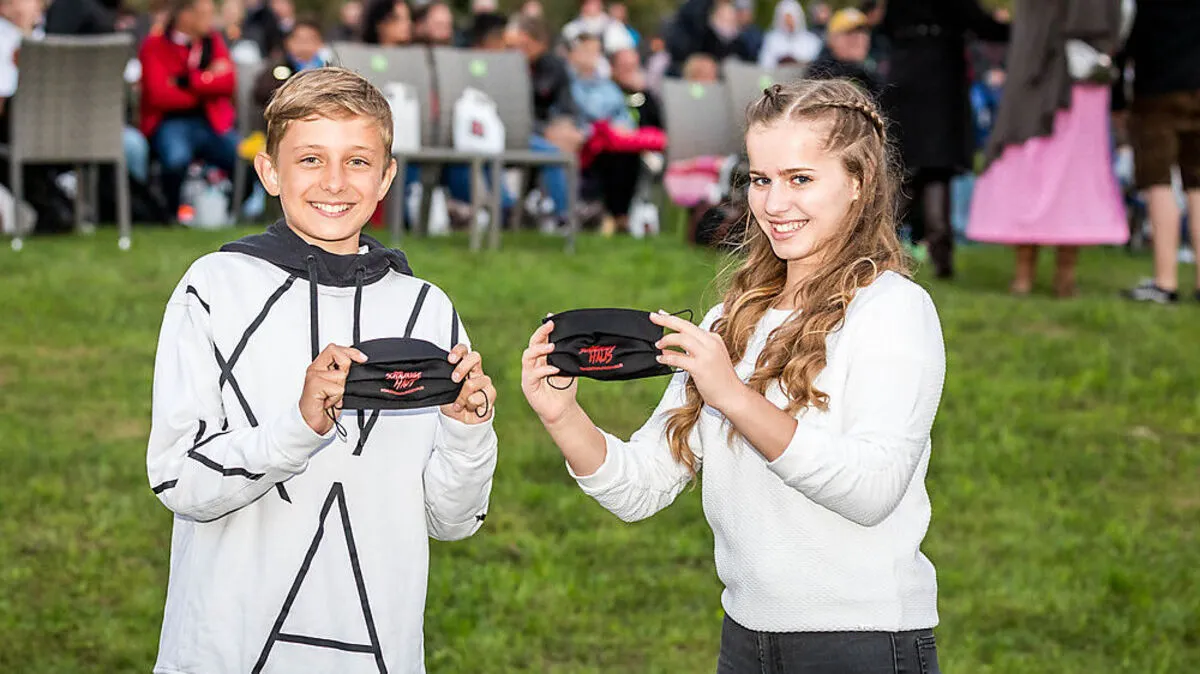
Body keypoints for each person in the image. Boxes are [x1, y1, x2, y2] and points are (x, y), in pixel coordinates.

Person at [521, 78, 945, 673]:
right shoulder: (732, 320)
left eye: (801, 179)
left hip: (862, 641)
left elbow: (871, 492)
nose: (774, 203)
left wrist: (734, 396)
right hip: (746, 640)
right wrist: (562, 415)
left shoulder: (892, 309)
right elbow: (641, 486)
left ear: (857, 183)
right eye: (760, 179)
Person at [146, 67, 498, 673]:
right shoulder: (214, 289)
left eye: (358, 161)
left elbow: (454, 519)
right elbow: (177, 478)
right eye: (310, 159)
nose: (335, 182)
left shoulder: (426, 309)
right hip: (227, 648)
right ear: (270, 171)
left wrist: (466, 430)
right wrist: (298, 428)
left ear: (387, 177)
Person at [966, 0, 1129, 298]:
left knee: (1064, 175)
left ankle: (1048, 276)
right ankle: (1041, 275)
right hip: (1053, 81)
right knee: (1041, 171)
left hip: (1072, 83)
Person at [879, 0, 1009, 279]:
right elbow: (979, 23)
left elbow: (885, 25)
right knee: (936, 168)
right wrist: (1019, 31)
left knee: (905, 166)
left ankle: (876, 249)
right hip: (940, 78)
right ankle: (940, 255)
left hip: (906, 73)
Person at [1122, 0, 1200, 304]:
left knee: (1157, 182)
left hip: (1157, 92)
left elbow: (1133, 40)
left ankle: (1164, 282)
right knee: (1197, 184)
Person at [138, 0, 238, 217]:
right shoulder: (155, 45)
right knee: (175, 160)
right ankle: (170, 214)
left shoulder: (213, 42)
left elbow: (228, 83)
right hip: (170, 122)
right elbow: (159, 96)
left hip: (209, 121)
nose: (210, 20)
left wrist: (185, 81)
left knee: (242, 159)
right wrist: (207, 83)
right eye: (205, 14)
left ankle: (232, 213)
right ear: (185, 15)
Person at [807, 7, 881, 98]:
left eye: (863, 32)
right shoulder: (820, 74)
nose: (859, 39)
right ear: (832, 39)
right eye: (850, 33)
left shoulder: (873, 67)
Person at [759, 0, 822, 67]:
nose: (789, 22)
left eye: (791, 18)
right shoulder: (771, 40)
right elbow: (764, 65)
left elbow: (816, 67)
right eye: (785, 18)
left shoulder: (812, 41)